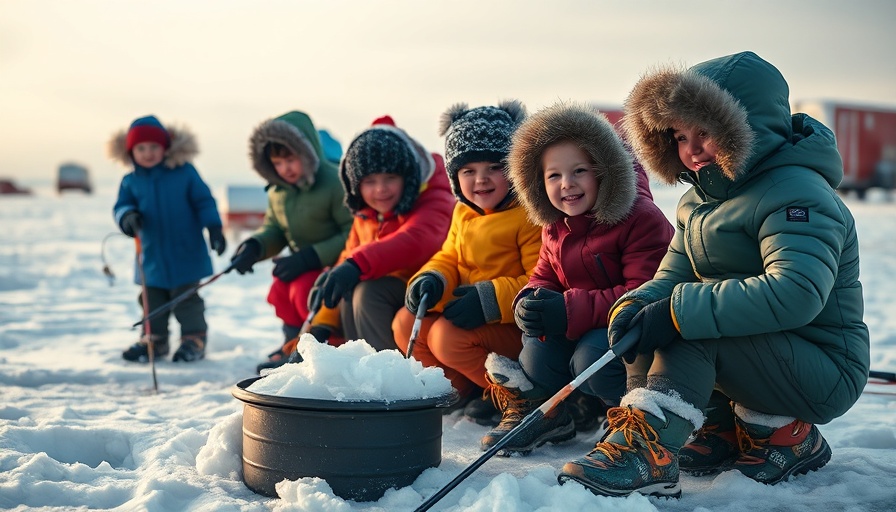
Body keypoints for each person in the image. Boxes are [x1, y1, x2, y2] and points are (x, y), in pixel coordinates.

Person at [557, 51, 870, 499]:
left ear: (750, 126)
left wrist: (678, 313)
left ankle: (653, 451)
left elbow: (796, 292)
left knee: (688, 323)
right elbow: (672, 277)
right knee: (653, 318)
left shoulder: (797, 193)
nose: (692, 149)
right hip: (766, 356)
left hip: (823, 368)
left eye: (706, 131)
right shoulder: (698, 203)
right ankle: (715, 427)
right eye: (681, 136)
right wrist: (633, 307)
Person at [481, 102, 674, 455]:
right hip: (583, 320)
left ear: (604, 171)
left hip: (629, 329)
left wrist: (568, 311)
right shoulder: (555, 224)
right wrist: (531, 299)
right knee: (537, 352)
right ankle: (549, 414)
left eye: (579, 171)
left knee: (591, 360)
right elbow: (545, 273)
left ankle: (632, 417)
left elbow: (644, 292)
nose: (566, 185)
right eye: (553, 175)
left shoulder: (640, 218)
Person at [393, 100, 541, 425]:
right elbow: (449, 255)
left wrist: (488, 298)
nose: (481, 180)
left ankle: (521, 398)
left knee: (445, 337)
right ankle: (466, 389)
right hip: (473, 315)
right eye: (468, 171)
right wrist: (433, 277)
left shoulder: (528, 215)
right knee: (407, 324)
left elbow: (538, 280)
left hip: (514, 325)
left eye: (494, 168)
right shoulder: (463, 211)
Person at [305, 116, 454, 350]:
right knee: (348, 286)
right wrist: (320, 326)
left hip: (430, 296)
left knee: (369, 290)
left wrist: (357, 265)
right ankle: (357, 365)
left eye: (390, 178)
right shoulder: (366, 214)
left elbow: (418, 239)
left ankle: (387, 371)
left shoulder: (435, 197)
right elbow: (347, 261)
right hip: (394, 303)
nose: (380, 189)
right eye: (369, 181)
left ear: (408, 177)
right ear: (355, 185)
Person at [228, 110, 353, 373]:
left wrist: (310, 257)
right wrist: (255, 247)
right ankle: (291, 343)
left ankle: (322, 346)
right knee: (281, 289)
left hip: (332, 266)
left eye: (291, 160)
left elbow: (351, 231)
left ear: (307, 153)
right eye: (278, 163)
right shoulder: (278, 191)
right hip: (303, 263)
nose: (285, 169)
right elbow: (275, 229)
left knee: (303, 290)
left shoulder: (333, 182)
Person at [110, 115, 226, 363]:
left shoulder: (184, 172)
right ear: (131, 151)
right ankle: (155, 340)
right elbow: (121, 206)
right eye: (141, 148)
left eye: (154, 147)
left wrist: (214, 227)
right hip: (150, 255)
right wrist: (127, 217)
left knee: (187, 301)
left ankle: (193, 340)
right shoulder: (130, 181)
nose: (148, 153)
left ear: (166, 147)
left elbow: (203, 200)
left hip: (185, 252)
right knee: (151, 301)